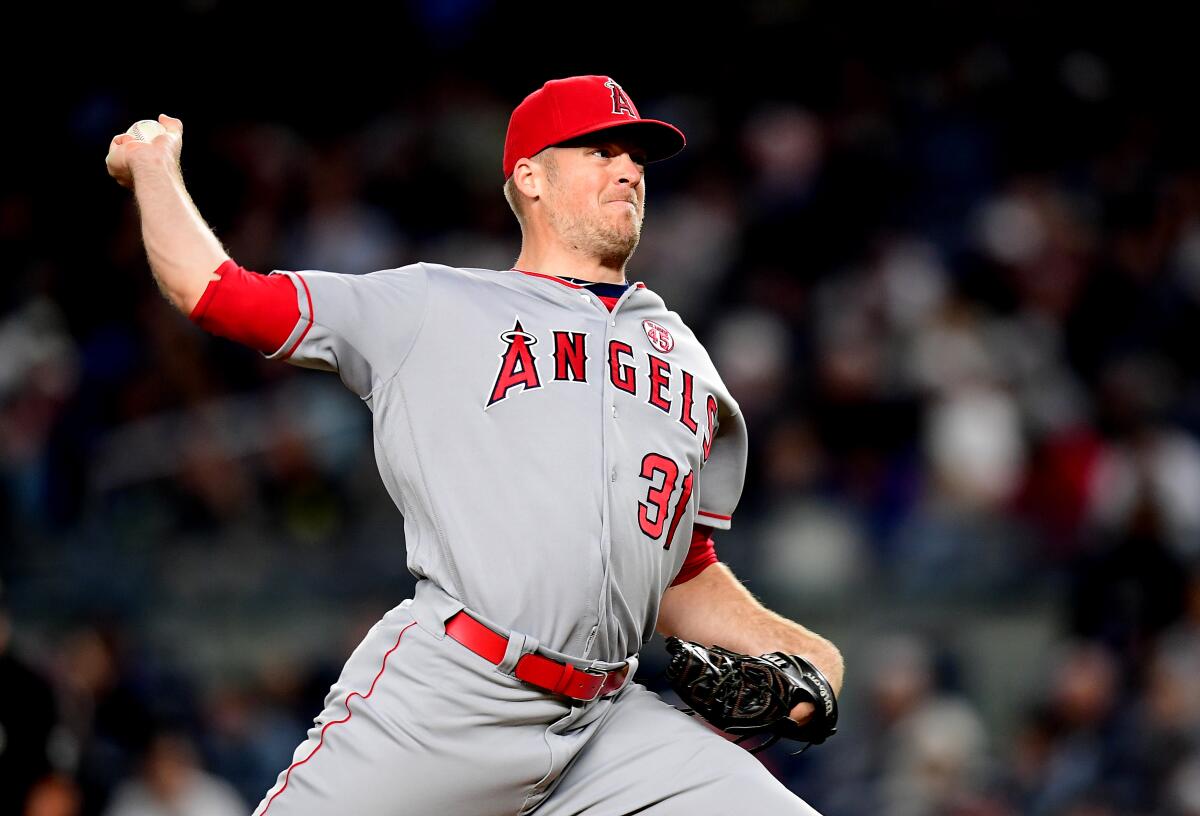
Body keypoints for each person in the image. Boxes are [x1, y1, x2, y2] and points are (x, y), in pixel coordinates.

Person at [105, 75, 844, 815]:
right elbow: (215, 290)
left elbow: (680, 569)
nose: (627, 170)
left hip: (607, 722)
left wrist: (802, 653)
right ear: (530, 176)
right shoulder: (432, 305)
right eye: (599, 149)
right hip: (454, 694)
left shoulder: (684, 356)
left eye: (636, 157)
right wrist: (154, 169)